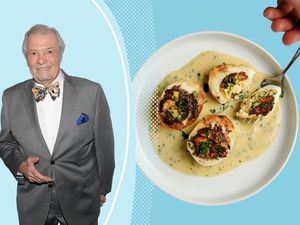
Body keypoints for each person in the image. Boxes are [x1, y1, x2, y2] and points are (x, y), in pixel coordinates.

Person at [0, 24, 115, 225]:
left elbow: (104, 146)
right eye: (33, 52)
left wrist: (103, 188)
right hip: (33, 202)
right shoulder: (10, 97)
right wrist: (21, 165)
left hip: (82, 198)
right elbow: (5, 143)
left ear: (60, 53)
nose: (41, 60)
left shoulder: (91, 92)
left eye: (49, 51)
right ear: (26, 57)